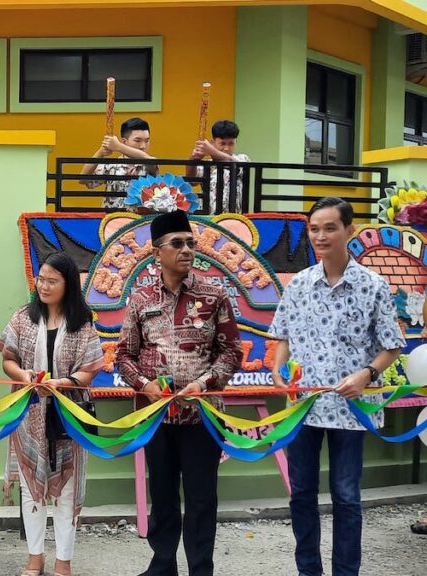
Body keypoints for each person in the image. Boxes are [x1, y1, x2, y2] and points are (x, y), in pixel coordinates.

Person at [269, 197, 405, 576]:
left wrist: (366, 374)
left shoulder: (374, 286)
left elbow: (392, 345)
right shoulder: (299, 284)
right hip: (304, 407)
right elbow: (283, 335)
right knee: (301, 495)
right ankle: (308, 570)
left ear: (350, 231)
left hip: (351, 409)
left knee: (346, 496)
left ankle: (347, 572)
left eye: (330, 228)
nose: (321, 236)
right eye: (314, 228)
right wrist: (279, 368)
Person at [115, 209, 243, 576]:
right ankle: (163, 566)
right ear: (157, 253)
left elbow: (232, 351)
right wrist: (144, 385)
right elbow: (124, 355)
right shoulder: (140, 299)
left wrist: (204, 383)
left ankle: (201, 569)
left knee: (202, 499)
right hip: (156, 417)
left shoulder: (215, 295)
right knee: (164, 497)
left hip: (202, 416)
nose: (187, 249)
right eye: (177, 243)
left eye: (190, 243)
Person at [0, 253, 103, 576]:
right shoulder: (22, 318)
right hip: (29, 415)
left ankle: (63, 561)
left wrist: (64, 384)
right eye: (41, 279)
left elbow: (90, 369)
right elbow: (8, 360)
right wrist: (24, 376)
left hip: (68, 414)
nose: (43, 285)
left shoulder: (83, 323)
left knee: (65, 488)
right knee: (31, 483)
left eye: (51, 280)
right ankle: (34, 557)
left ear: (67, 285)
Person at [79, 117, 158, 209]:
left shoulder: (149, 164)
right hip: (113, 219)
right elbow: (83, 180)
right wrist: (100, 153)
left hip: (140, 221)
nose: (143, 146)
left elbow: (150, 161)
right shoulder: (112, 165)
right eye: (137, 140)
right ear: (124, 141)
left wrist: (118, 146)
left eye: (147, 141)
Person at [186, 120, 250, 214]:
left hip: (234, 218)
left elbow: (233, 163)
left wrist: (211, 151)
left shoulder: (242, 159)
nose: (227, 148)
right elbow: (192, 181)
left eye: (231, 143)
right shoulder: (206, 164)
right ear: (213, 142)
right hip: (208, 218)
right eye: (222, 143)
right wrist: (193, 159)